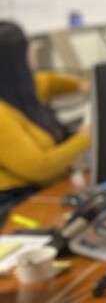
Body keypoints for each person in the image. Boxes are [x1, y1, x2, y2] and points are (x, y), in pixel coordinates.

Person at [0, 21, 90, 225]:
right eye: (27, 46)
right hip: (14, 204)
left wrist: (81, 85)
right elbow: (40, 168)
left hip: (41, 192)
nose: (33, 50)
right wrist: (84, 138)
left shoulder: (14, 88)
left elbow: (47, 81)